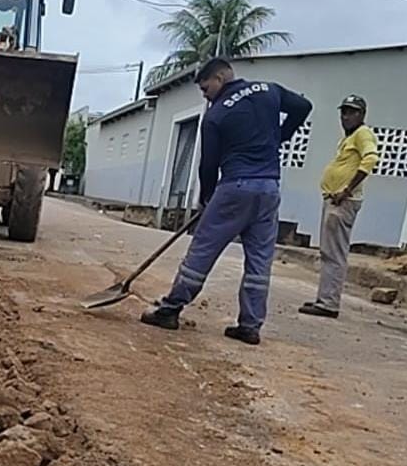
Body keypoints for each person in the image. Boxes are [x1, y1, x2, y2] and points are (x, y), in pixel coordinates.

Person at [141, 58, 312, 345]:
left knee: (202, 250)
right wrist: (280, 137)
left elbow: (208, 164)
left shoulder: (215, 115)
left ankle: (170, 310)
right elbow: (303, 107)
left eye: (205, 88)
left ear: (220, 78)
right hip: (269, 188)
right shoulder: (269, 90)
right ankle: (250, 326)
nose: (205, 96)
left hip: (235, 187)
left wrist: (206, 198)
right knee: (259, 261)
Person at [299, 95, 379, 318]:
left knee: (334, 253)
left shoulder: (363, 134)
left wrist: (347, 189)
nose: (346, 116)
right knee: (328, 252)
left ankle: (329, 303)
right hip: (334, 199)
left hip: (343, 201)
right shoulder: (350, 137)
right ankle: (325, 298)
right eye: (344, 111)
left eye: (352, 112)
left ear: (362, 114)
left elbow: (371, 159)